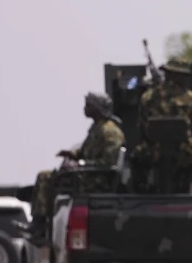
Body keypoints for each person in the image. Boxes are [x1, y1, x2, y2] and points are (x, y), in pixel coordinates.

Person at [31, 93, 126, 223]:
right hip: (87, 175)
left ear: (97, 108)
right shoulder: (97, 128)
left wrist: (79, 165)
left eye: (88, 105)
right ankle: (41, 222)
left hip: (97, 179)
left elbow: (108, 163)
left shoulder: (110, 131)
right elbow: (84, 152)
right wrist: (71, 154)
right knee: (46, 176)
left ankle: (39, 224)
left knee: (46, 178)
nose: (84, 108)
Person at [136, 57, 192, 193]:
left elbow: (142, 123)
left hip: (151, 150)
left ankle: (141, 187)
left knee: (137, 157)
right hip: (183, 150)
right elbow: (191, 121)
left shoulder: (147, 96)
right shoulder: (189, 96)